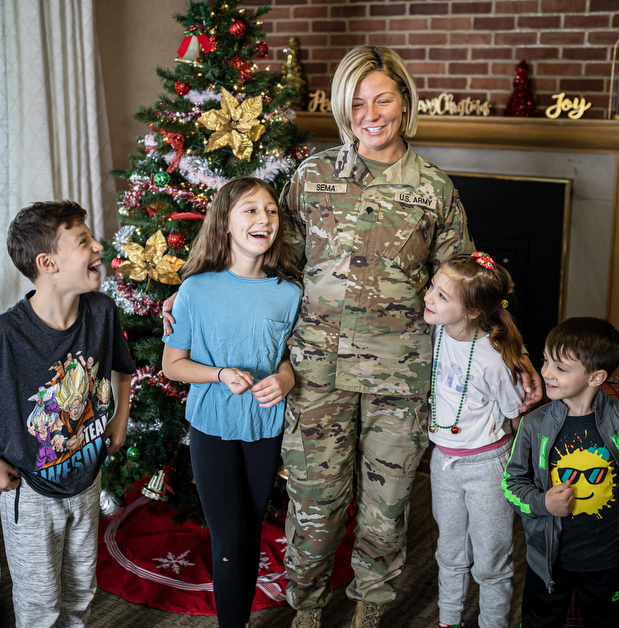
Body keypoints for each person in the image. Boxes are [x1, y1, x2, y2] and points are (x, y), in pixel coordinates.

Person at [164, 45, 542, 628]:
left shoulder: (435, 190)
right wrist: (190, 291)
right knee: (314, 505)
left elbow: (470, 290)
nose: (371, 113)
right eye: (357, 102)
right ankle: (308, 608)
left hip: (402, 374)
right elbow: (263, 257)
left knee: (386, 508)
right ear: (344, 109)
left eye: (383, 98)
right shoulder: (310, 178)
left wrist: (513, 352)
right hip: (314, 372)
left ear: (404, 101)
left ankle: (370, 606)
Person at [0, 200, 135, 628]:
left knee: (80, 591)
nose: (98, 246)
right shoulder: (1, 336)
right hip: (31, 496)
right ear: (48, 262)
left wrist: (120, 417)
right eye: (83, 241)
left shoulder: (102, 312)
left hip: (87, 479)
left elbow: (122, 370)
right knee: (40, 606)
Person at [161, 177, 302, 628]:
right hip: (212, 428)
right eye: (250, 210)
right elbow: (172, 365)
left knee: (251, 531)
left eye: (272, 211)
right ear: (224, 222)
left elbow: (291, 360)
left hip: (264, 426)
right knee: (227, 539)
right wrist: (219, 374)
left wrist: (283, 378)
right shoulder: (196, 291)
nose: (264, 219)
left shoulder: (290, 292)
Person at [503, 317, 619, 627]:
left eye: (561, 368)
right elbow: (512, 484)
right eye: (546, 360)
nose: (546, 373)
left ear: (596, 377)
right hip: (548, 561)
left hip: (607, 560)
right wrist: (543, 504)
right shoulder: (533, 424)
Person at [423, 253, 527, 628]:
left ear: (471, 313)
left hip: (486, 468)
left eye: (442, 296)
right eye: (433, 287)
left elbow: (516, 415)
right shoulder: (435, 331)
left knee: (491, 560)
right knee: (449, 551)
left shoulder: (493, 360)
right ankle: (447, 619)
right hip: (443, 461)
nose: (429, 298)